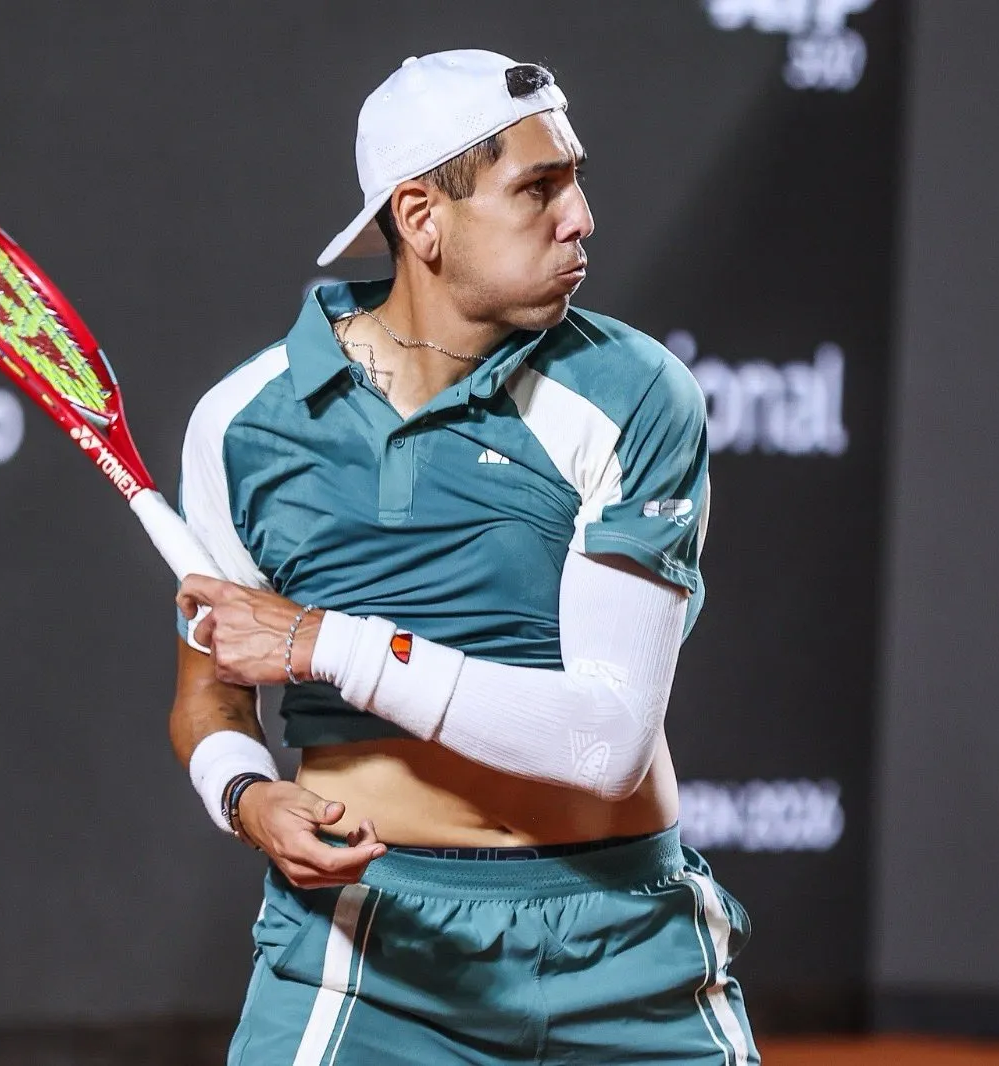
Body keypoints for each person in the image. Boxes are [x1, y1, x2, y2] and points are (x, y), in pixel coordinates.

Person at [170, 49, 757, 1066]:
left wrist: (322, 643)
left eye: (573, 178)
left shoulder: (636, 395)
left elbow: (605, 744)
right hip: (365, 951)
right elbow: (210, 694)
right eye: (537, 187)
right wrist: (246, 796)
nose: (579, 217)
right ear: (420, 217)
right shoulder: (239, 424)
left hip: (625, 945)